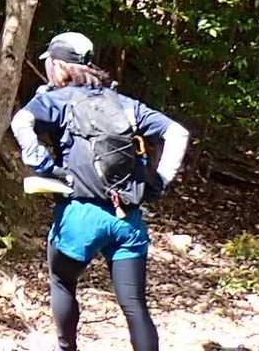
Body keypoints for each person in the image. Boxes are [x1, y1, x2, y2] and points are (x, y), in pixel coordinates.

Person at [13, 32, 191, 351]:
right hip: (127, 219)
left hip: (80, 215)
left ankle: (66, 348)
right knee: (134, 304)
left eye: (50, 63)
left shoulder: (56, 99)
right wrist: (160, 181)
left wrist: (41, 162)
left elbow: (20, 122)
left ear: (59, 65)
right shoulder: (122, 103)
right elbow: (177, 133)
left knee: (62, 281)